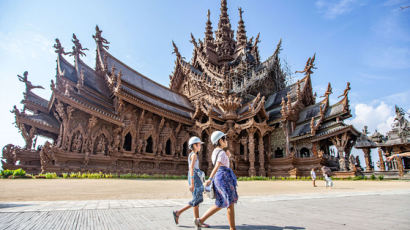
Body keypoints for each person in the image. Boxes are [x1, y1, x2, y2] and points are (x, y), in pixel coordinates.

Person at [194, 131, 238, 230]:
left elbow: (220, 164)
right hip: (224, 177)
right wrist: (209, 179)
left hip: (219, 177)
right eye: (224, 139)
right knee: (229, 202)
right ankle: (232, 228)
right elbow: (217, 166)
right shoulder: (221, 153)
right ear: (220, 140)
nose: (226, 141)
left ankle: (200, 221)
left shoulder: (215, 152)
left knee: (220, 203)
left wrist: (228, 156)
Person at [173, 136, 210, 228]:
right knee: (197, 199)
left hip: (194, 177)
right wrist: (192, 183)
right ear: (194, 145)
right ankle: (178, 212)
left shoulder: (192, 154)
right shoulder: (193, 155)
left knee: (196, 200)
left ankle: (197, 221)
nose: (200, 146)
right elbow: (191, 168)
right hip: (195, 178)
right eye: (199, 145)